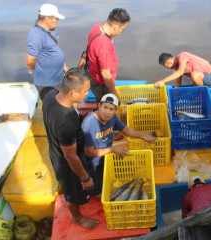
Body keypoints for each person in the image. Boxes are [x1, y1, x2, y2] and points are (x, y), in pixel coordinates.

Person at [42, 67, 98, 229]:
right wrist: (84, 178)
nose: (87, 94)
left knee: (73, 188)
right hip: (67, 163)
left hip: (55, 150)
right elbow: (70, 157)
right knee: (72, 192)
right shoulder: (66, 121)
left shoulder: (50, 96)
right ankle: (77, 218)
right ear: (73, 93)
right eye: (85, 91)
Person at [81, 93, 157, 199]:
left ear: (116, 110)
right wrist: (113, 149)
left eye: (111, 109)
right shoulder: (89, 124)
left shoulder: (112, 117)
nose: (107, 112)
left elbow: (125, 129)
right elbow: (89, 153)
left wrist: (143, 136)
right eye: (105, 107)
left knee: (129, 172)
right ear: (99, 106)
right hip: (92, 164)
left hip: (107, 157)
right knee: (101, 196)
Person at [86, 8, 131, 105]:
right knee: (107, 108)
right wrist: (114, 92)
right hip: (102, 84)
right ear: (115, 27)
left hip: (93, 76)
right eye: (122, 29)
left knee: (101, 103)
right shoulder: (104, 45)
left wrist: (109, 38)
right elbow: (106, 74)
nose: (121, 31)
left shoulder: (97, 27)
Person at [26, 4, 68, 98]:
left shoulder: (51, 31)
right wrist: (32, 68)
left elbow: (54, 49)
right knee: (52, 108)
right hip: (47, 83)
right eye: (56, 18)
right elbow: (30, 61)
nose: (57, 21)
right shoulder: (36, 35)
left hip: (58, 79)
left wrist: (64, 67)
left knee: (60, 104)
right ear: (48, 19)